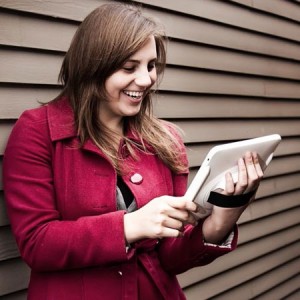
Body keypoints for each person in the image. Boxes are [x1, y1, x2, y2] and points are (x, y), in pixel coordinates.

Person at [3, 3, 263, 300]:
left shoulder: (166, 140)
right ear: (92, 65)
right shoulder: (38, 131)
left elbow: (171, 257)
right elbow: (37, 243)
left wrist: (222, 221)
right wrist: (129, 226)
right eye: (129, 67)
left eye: (151, 65)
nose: (146, 80)